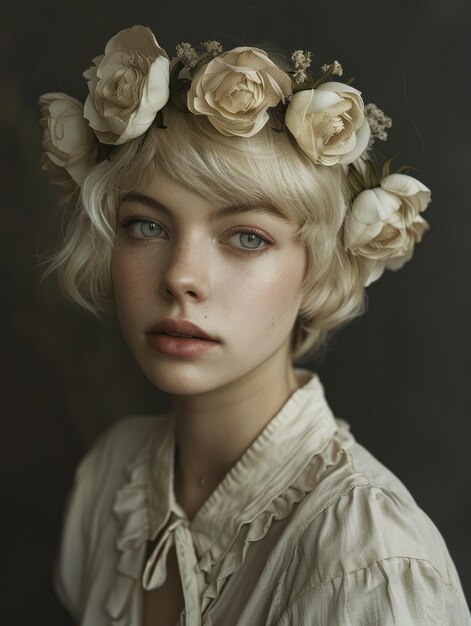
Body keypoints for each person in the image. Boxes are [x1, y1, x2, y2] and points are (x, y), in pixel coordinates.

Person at [38, 24, 470, 626]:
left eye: (246, 237)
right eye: (146, 226)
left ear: (317, 268)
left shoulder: (370, 563)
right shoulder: (111, 478)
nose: (181, 277)